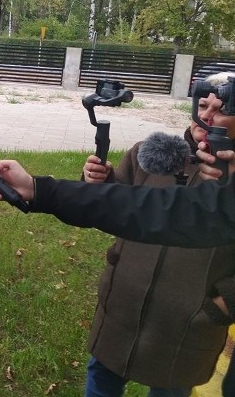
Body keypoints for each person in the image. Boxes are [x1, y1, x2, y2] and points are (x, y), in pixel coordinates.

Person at [80, 73, 235, 397]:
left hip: (187, 326)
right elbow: (121, 207)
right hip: (122, 307)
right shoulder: (148, 156)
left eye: (220, 109)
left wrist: (222, 303)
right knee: (101, 381)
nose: (206, 116)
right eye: (202, 105)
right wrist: (102, 183)